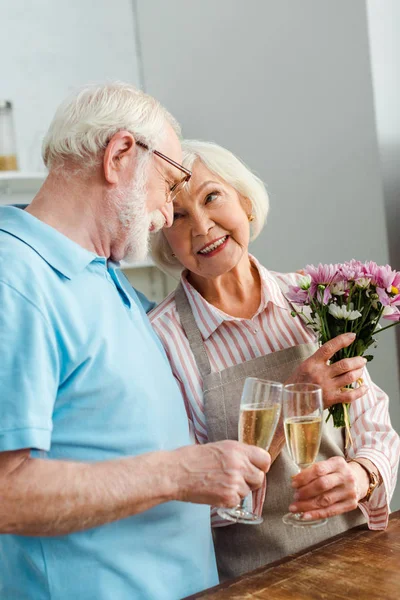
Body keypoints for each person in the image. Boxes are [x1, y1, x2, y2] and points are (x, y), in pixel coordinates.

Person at [0, 85, 271, 600]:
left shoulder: (105, 276)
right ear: (121, 155)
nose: (168, 215)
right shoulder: (13, 280)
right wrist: (176, 472)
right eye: (169, 186)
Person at [150, 139, 400, 580]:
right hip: (255, 579)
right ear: (162, 234)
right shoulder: (160, 339)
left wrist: (363, 475)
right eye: (179, 213)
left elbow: (373, 421)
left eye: (212, 197)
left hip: (358, 554)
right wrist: (295, 403)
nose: (202, 226)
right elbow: (184, 502)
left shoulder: (315, 300)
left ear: (244, 202)